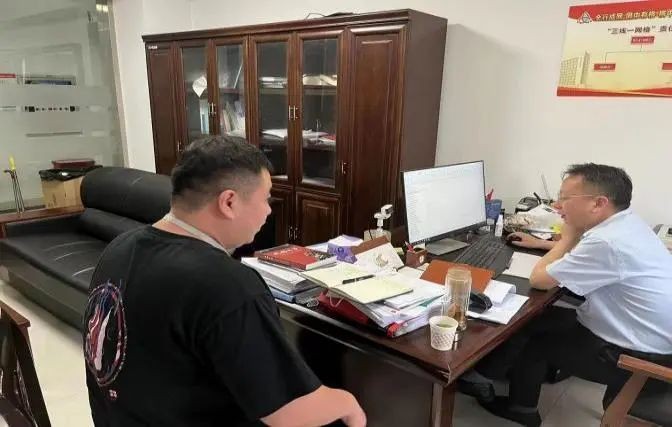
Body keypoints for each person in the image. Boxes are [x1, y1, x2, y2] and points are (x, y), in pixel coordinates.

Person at [83, 136, 366, 427]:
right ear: (229, 202)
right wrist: (347, 403)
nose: (269, 210)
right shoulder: (224, 283)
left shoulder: (119, 248)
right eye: (265, 198)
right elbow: (288, 412)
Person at [477, 163, 672, 426]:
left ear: (598, 203)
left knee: (535, 341)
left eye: (565, 198)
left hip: (638, 359)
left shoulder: (606, 242)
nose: (558, 206)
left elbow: (539, 280)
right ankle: (487, 375)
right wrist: (543, 244)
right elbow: (589, 255)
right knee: (536, 319)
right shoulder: (626, 223)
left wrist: (567, 238)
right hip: (652, 337)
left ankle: (522, 410)